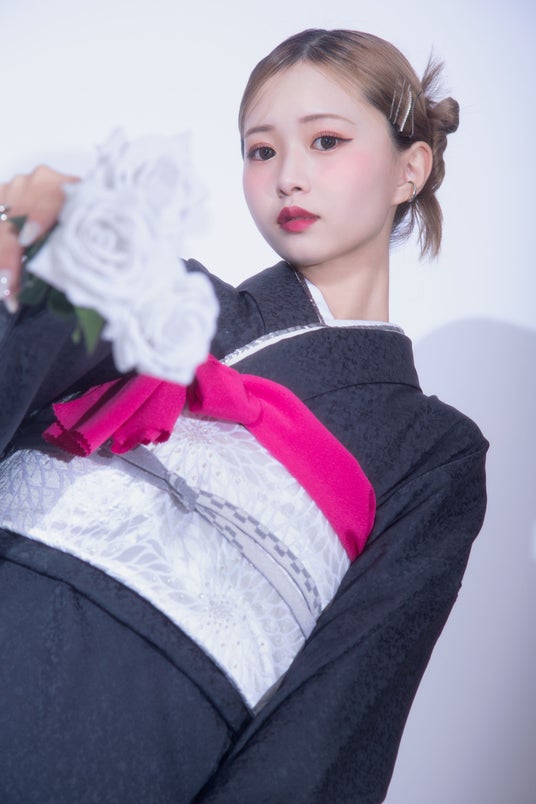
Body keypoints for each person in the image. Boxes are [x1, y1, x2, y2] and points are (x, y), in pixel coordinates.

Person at [0, 29, 487, 804]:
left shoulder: (430, 454)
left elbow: (330, 729)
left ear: (411, 168)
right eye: (261, 150)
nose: (287, 175)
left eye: (325, 141)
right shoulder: (160, 290)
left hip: (137, 756)